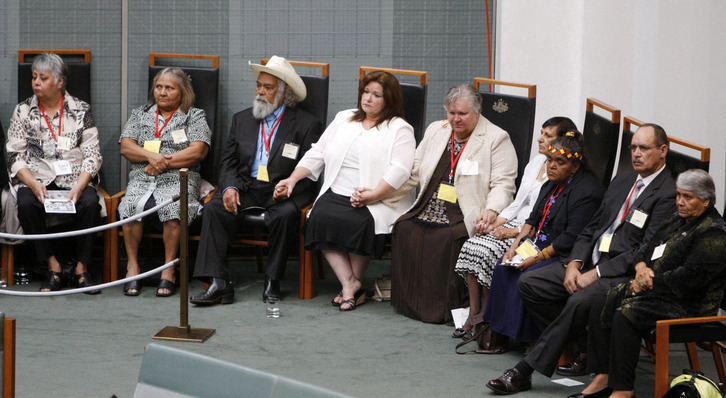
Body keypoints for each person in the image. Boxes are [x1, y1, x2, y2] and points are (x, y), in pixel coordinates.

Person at [486, 123, 676, 395]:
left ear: (662, 151)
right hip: (589, 261)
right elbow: (592, 227)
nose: (636, 153)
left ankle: (524, 370)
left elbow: (643, 251)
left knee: (579, 300)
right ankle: (585, 344)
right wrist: (575, 263)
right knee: (531, 283)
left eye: (643, 148)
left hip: (619, 272)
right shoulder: (623, 180)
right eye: (633, 147)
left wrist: (594, 274)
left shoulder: (668, 194)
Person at [572, 169, 726, 398]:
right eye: (678, 195)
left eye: (688, 197)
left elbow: (690, 279)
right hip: (660, 292)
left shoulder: (713, 232)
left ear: (706, 201)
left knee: (626, 313)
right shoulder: (678, 218)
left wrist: (646, 284)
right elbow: (645, 249)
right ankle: (603, 377)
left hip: (690, 305)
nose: (680, 202)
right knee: (600, 300)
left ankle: (624, 390)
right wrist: (641, 268)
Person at [276, 71, 415, 311]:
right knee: (319, 217)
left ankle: (350, 288)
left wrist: (373, 194)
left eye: (376, 95)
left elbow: (400, 170)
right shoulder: (344, 118)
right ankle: (351, 284)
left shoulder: (399, 128)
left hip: (376, 196)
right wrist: (292, 178)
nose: (368, 98)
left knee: (360, 222)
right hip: (336, 189)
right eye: (366, 92)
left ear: (389, 100)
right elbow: (318, 151)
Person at [190, 56, 323, 305]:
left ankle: (273, 279)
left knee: (284, 215)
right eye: (258, 85)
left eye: (268, 87)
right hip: (247, 186)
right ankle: (218, 282)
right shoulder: (242, 119)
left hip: (284, 188)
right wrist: (229, 187)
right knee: (214, 207)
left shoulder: (306, 124)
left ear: (284, 93)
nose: (260, 91)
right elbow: (228, 162)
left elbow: (313, 168)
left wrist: (290, 186)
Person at [389, 84, 518, 324]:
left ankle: (443, 309)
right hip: (428, 203)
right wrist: (383, 191)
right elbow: (415, 171)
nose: (455, 119)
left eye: (462, 114)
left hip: (463, 211)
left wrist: (491, 211)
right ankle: (409, 303)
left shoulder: (496, 138)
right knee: (405, 227)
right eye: (451, 113)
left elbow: (503, 184)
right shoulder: (436, 129)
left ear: (477, 112)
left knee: (445, 239)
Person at [452, 116, 578, 339]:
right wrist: (495, 223)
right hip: (514, 222)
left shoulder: (560, 174)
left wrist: (513, 232)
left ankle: (486, 318)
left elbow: (541, 218)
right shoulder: (536, 162)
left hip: (529, 232)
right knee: (472, 245)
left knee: (488, 252)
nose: (540, 139)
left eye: (548, 136)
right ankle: (473, 313)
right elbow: (518, 203)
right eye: (541, 133)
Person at [479, 132, 604, 352]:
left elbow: (571, 237)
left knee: (526, 274)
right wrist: (513, 247)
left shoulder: (587, 191)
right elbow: (532, 220)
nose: (551, 166)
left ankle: (530, 338)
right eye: (549, 160)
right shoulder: (551, 184)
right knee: (503, 267)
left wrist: (536, 257)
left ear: (575, 167)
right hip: (537, 244)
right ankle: (499, 333)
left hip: (563, 254)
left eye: (560, 162)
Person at [6, 52, 103, 293]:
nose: (36, 83)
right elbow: (13, 155)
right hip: (37, 178)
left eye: (43, 78)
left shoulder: (81, 110)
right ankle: (53, 267)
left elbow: (93, 154)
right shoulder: (23, 111)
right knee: (27, 204)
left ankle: (82, 269)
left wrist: (81, 185)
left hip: (74, 179)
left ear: (60, 82)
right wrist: (33, 183)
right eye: (34, 77)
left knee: (90, 204)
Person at [118, 67, 211, 297]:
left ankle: (169, 269)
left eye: (169, 88)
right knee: (129, 206)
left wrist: (164, 162)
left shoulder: (194, 116)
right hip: (144, 175)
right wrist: (151, 157)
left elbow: (198, 151)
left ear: (183, 92)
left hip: (179, 176)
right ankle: (133, 266)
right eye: (159, 87)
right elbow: (126, 146)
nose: (162, 92)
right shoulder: (140, 113)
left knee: (173, 209)